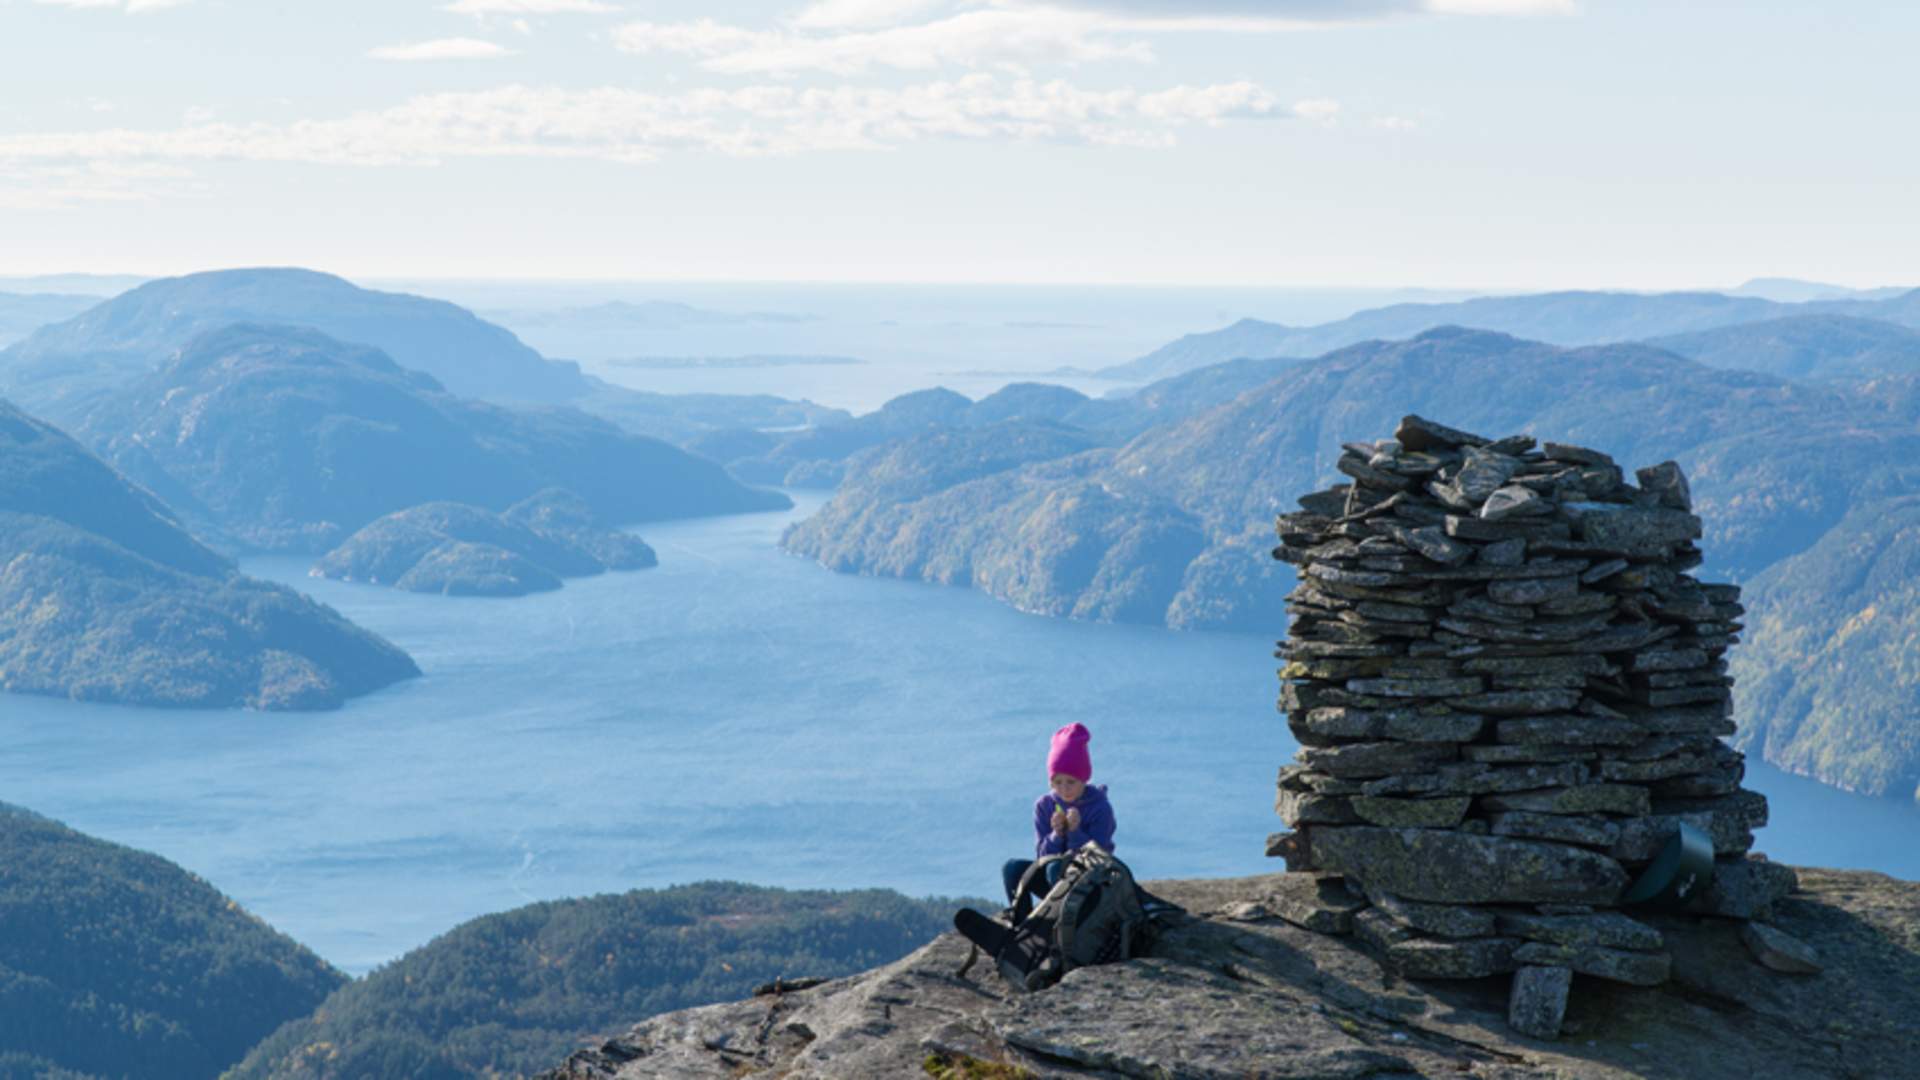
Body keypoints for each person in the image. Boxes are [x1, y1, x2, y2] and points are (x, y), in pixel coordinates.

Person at [1001, 722, 1116, 906]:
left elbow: (1099, 860)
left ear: (1083, 779)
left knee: (1056, 868)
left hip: (1091, 886)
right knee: (1012, 868)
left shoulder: (1100, 808)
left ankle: (1065, 925)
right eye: (1057, 782)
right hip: (1053, 877)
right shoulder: (1044, 806)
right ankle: (1021, 923)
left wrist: (1075, 832)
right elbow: (1042, 856)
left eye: (1071, 782)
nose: (1064, 789)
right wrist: (1056, 835)